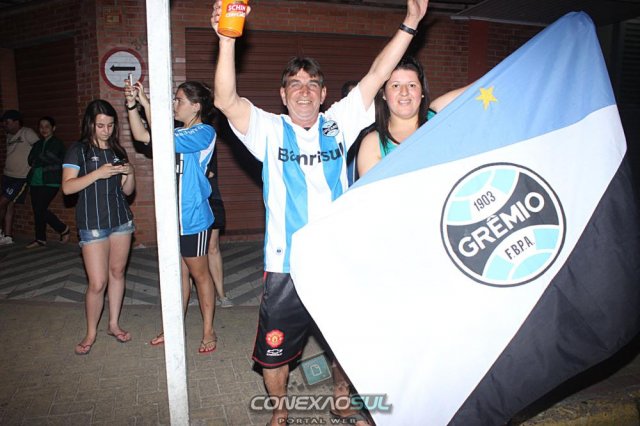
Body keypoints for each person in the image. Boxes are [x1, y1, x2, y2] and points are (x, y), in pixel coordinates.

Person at [211, 0, 429, 424]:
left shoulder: (339, 122)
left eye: (312, 84)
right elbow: (225, 98)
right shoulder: (268, 129)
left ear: (324, 94)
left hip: (338, 259)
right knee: (274, 350)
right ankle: (280, 410)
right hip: (286, 266)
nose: (304, 91)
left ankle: (341, 394)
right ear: (283, 95)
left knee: (347, 340)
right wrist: (226, 40)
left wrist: (410, 22)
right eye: (295, 84)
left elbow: (378, 74)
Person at [125, 80, 219, 354]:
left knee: (200, 275)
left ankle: (208, 330)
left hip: (192, 217)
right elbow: (142, 135)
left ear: (196, 106)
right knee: (177, 276)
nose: (174, 104)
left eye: (179, 100)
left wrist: (146, 102)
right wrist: (132, 105)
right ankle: (173, 327)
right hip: (171, 219)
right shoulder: (176, 131)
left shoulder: (205, 132)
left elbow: (162, 137)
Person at [62, 100, 136, 355]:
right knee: (97, 282)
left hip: (121, 221)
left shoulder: (117, 150)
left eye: (110, 125)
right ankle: (90, 333)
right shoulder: (78, 150)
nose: (106, 130)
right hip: (92, 223)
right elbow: (67, 187)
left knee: (117, 273)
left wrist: (130, 172)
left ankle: (113, 324)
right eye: (101, 125)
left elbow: (128, 191)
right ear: (90, 124)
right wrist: (97, 173)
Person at [357, 55, 469, 178]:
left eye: (412, 85)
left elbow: (478, 90)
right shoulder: (372, 143)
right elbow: (371, 189)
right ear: (384, 94)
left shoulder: (437, 115)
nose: (404, 92)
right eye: (395, 86)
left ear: (422, 92)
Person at [25, 116, 70, 248]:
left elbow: (53, 158)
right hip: (35, 181)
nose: (43, 129)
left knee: (40, 208)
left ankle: (63, 228)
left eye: (47, 126)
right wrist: (42, 158)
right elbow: (30, 160)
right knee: (37, 210)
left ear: (53, 128)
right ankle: (40, 239)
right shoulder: (37, 144)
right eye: (41, 127)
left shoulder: (57, 143)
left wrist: (39, 158)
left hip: (51, 181)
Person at [0, 110, 40, 245]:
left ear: (16, 122)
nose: (4, 125)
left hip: (20, 177)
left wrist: (33, 165)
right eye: (3, 123)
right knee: (9, 205)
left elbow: (39, 147)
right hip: (7, 175)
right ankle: (7, 236)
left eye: (7, 122)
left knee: (2, 203)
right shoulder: (8, 136)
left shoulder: (27, 133)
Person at [207, 154, 233, 308]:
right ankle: (186, 293)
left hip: (211, 197)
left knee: (212, 246)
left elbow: (210, 172)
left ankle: (221, 294)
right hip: (187, 197)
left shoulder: (206, 140)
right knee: (189, 249)